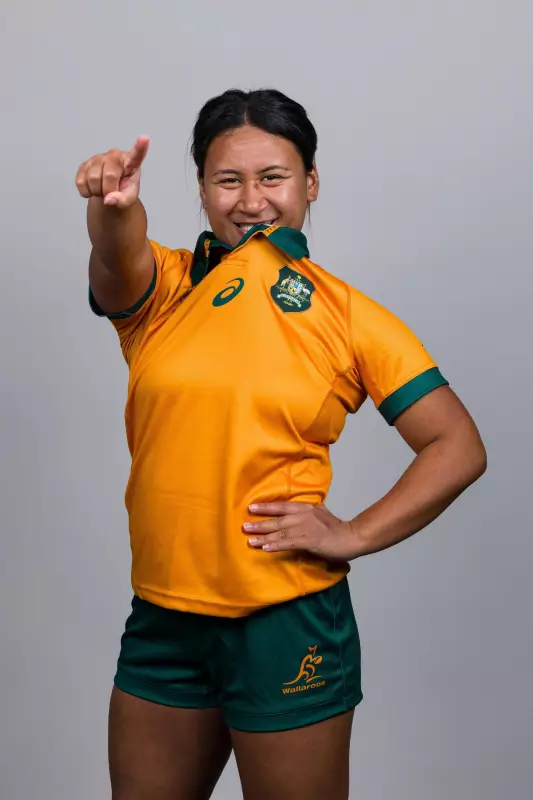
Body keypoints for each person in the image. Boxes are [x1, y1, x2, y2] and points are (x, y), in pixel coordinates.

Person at [75, 88, 487, 800]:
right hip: (163, 618)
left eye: (273, 177)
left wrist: (353, 533)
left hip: (286, 621)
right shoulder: (165, 288)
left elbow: (456, 444)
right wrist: (111, 207)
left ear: (310, 182)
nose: (250, 201)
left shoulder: (348, 315)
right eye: (227, 180)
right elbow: (116, 256)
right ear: (201, 189)